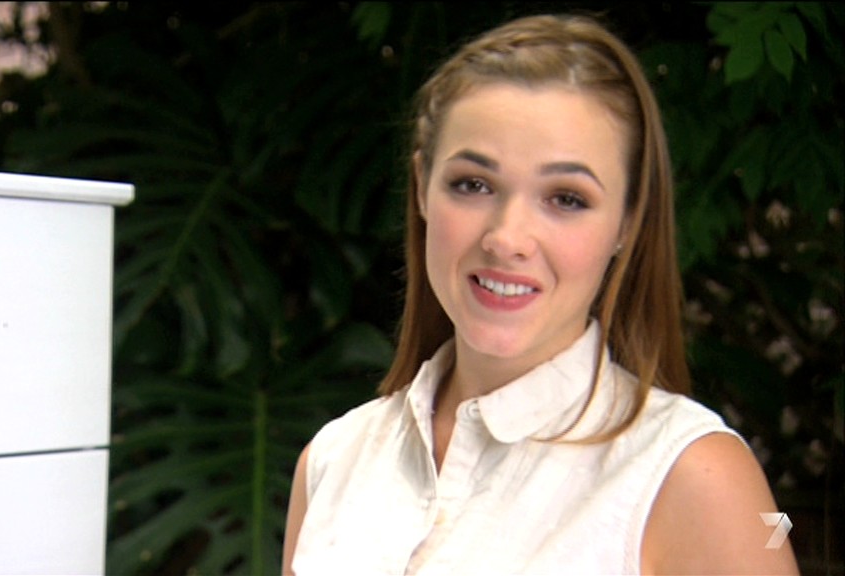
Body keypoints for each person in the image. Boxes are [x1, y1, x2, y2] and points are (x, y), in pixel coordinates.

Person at [282, 13, 799, 575]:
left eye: (566, 199)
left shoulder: (692, 475)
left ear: (628, 221)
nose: (506, 238)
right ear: (422, 188)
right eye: (473, 185)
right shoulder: (331, 461)